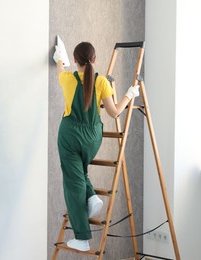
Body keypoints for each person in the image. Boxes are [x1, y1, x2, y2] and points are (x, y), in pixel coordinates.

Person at [53, 41, 139, 251]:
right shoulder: (102, 82)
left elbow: (61, 66)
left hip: (70, 136)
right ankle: (91, 197)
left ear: (75, 60)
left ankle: (82, 238)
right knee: (80, 172)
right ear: (95, 60)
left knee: (73, 183)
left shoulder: (67, 79)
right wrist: (130, 93)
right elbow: (115, 112)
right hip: (93, 138)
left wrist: (59, 57)